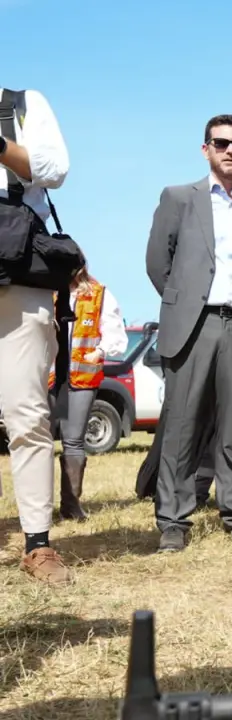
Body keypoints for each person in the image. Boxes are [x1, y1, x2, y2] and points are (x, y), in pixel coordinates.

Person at [145, 114, 232, 554]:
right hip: (192, 325)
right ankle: (173, 521)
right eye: (221, 143)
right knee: (181, 426)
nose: (230, 151)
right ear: (206, 149)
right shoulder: (178, 198)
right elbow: (157, 263)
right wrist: (184, 304)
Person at [0, 84, 73, 585]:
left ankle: (37, 544)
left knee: (26, 412)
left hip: (18, 273)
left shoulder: (23, 104)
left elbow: (54, 168)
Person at [54, 263, 127, 521]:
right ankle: (37, 507)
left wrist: (100, 351)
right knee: (39, 439)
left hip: (82, 378)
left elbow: (115, 335)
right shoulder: (47, 291)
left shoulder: (99, 294)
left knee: (73, 441)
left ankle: (70, 505)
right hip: (48, 378)